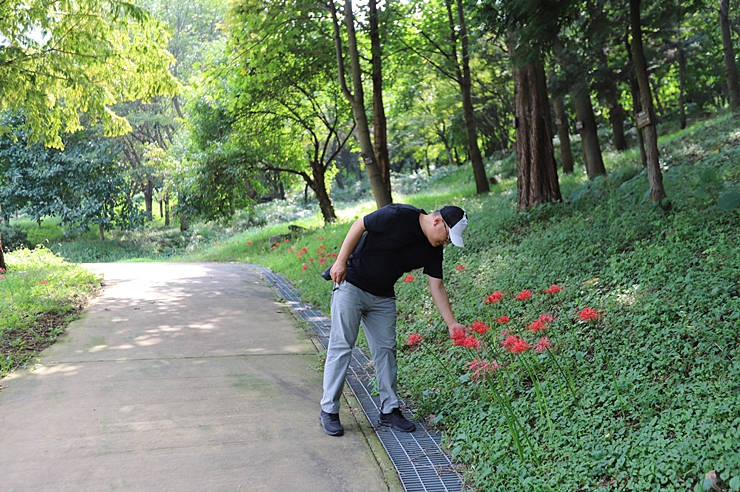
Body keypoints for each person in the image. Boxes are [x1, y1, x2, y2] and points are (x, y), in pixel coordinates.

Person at [319, 203, 468, 436]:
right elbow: (359, 224)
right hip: (352, 284)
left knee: (386, 350)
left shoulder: (434, 249)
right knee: (341, 346)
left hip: (382, 296)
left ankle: (390, 410)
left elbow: (436, 285)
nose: (447, 243)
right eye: (448, 237)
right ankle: (329, 410)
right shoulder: (398, 215)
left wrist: (451, 322)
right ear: (438, 221)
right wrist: (340, 261)